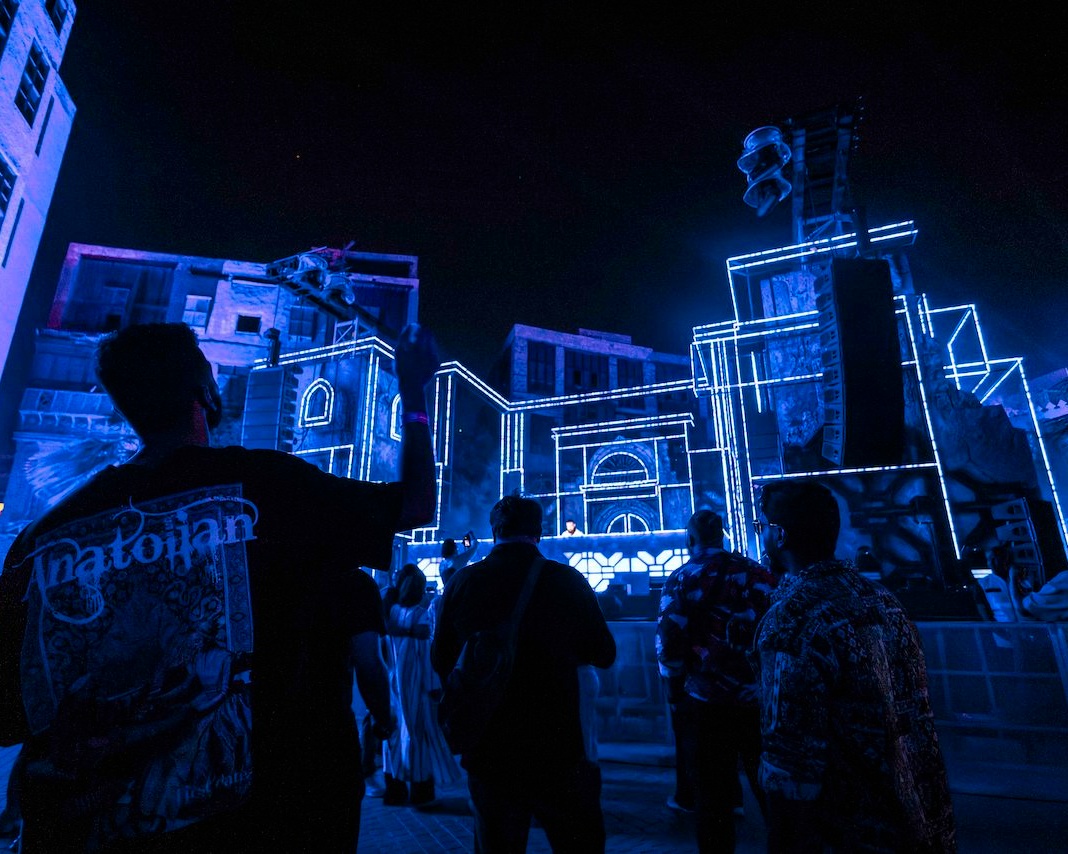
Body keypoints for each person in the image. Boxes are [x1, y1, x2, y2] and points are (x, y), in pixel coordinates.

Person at [0, 321, 439, 852]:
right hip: (262, 820)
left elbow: (11, 705)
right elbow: (415, 505)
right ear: (205, 391)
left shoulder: (44, 539)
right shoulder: (269, 486)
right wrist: (414, 392)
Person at [752, 480, 957, 853]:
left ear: (779, 535)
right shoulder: (882, 599)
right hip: (918, 819)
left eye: (761, 527)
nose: (760, 536)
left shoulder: (792, 620)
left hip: (847, 830)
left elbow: (790, 764)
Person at [432, 495, 616, 853]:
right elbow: (604, 653)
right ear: (540, 532)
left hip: (489, 747)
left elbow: (441, 659)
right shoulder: (567, 579)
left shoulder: (464, 582)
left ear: (494, 530)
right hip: (558, 744)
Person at [655, 509, 773, 853]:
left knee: (711, 798)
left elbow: (667, 640)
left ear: (690, 539)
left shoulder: (682, 577)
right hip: (759, 700)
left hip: (706, 701)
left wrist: (674, 689)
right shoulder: (756, 573)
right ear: (722, 535)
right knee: (770, 788)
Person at [381, 564, 461, 807]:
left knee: (393, 734)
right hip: (416, 686)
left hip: (392, 683)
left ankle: (394, 790)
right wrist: (434, 685)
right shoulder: (419, 615)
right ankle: (420, 790)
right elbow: (424, 656)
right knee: (418, 735)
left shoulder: (390, 613)